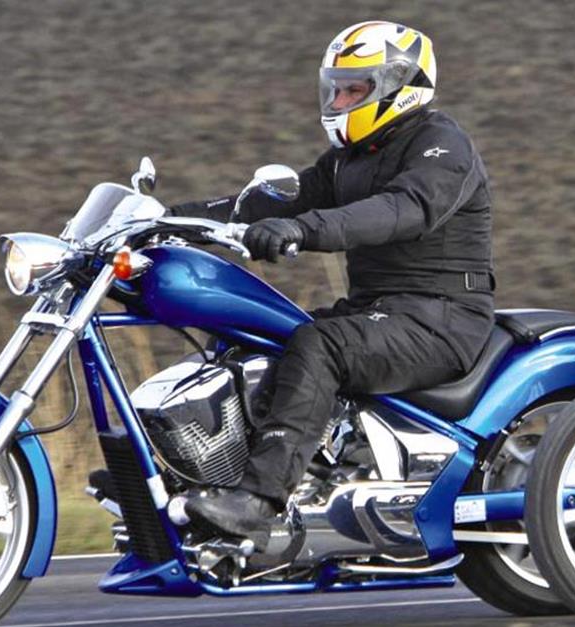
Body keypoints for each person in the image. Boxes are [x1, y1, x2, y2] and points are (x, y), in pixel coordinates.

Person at [173, 21, 494, 550]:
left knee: (319, 344)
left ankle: (260, 500)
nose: (340, 100)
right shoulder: (350, 158)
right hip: (378, 310)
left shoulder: (441, 145)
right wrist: (171, 219)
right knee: (251, 335)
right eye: (336, 88)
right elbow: (278, 199)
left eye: (355, 89)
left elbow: (401, 210)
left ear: (398, 85)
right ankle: (197, 479)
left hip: (440, 318)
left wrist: (303, 230)